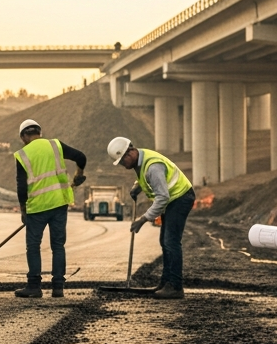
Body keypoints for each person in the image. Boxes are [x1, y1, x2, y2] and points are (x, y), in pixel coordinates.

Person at [107, 137, 194, 299]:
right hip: (172, 200)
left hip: (180, 198)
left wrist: (143, 219)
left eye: (121, 161)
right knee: (165, 241)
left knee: (171, 241)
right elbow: (147, 178)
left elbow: (162, 197)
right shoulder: (141, 160)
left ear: (130, 153)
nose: (122, 165)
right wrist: (137, 187)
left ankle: (175, 286)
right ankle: (166, 282)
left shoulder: (153, 167)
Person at [12, 119, 86, 298]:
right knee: (58, 246)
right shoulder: (55, 145)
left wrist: (23, 209)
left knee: (33, 246)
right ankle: (58, 287)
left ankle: (34, 286)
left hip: (37, 207)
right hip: (60, 203)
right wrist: (79, 174)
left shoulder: (22, 154)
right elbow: (81, 157)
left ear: (23, 137)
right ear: (40, 132)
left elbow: (21, 187)